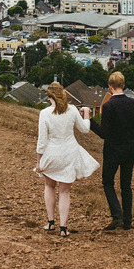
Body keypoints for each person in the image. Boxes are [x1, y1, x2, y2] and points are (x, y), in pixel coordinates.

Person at [35, 82, 99, 237]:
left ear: (49, 96)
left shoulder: (45, 113)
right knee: (65, 191)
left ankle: (51, 222)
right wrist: (86, 114)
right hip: (69, 154)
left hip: (52, 154)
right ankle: (63, 228)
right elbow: (85, 129)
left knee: (49, 186)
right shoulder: (72, 110)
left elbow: (42, 141)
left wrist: (39, 161)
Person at [85, 71, 134, 230]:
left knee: (108, 183)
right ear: (123, 85)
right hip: (130, 150)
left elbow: (103, 133)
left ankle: (117, 215)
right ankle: (127, 221)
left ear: (109, 87)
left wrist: (89, 120)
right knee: (126, 185)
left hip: (113, 151)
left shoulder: (108, 106)